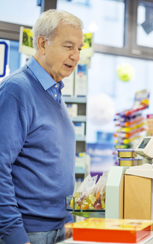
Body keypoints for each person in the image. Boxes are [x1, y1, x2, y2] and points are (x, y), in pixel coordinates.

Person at [0, 10, 84, 244]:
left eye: (79, 48)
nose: (76, 56)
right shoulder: (16, 91)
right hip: (27, 234)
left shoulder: (55, 92)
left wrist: (68, 219)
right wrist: (14, 234)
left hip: (59, 231)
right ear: (42, 44)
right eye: (69, 46)